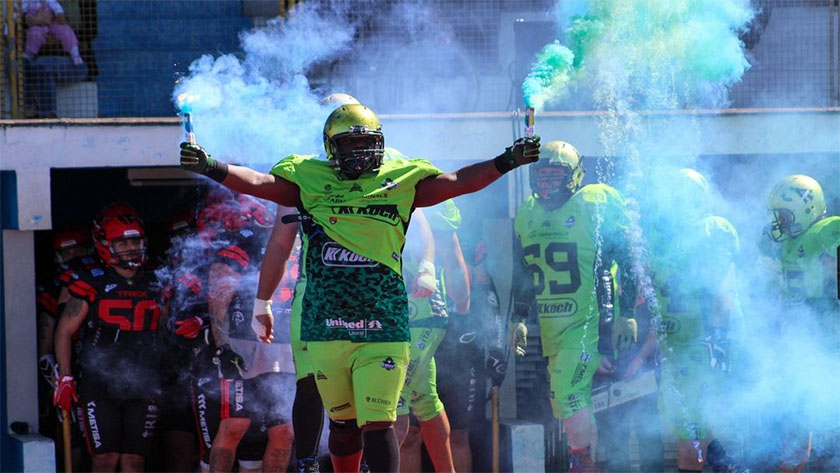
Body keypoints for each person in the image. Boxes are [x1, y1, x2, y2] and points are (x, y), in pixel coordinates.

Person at [179, 103, 540, 472]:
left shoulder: (400, 177)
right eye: (348, 145)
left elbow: (458, 182)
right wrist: (211, 167)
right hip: (327, 321)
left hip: (383, 321)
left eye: (365, 143)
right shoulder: (308, 176)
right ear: (330, 146)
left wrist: (507, 160)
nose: (358, 153)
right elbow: (260, 184)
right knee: (344, 424)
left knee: (379, 421)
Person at [510, 140, 638, 473]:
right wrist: (520, 317)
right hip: (554, 328)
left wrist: (628, 313)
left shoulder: (593, 202)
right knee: (568, 401)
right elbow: (522, 270)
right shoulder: (527, 212)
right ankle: (589, 464)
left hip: (588, 323)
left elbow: (628, 259)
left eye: (556, 174)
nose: (547, 182)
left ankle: (580, 465)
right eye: (542, 175)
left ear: (575, 175)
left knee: (568, 396)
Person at [646, 169, 743, 473]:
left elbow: (723, 289)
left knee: (689, 433)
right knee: (686, 426)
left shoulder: (713, 230)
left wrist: (719, 336)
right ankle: (724, 462)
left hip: (703, 341)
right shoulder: (659, 237)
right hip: (676, 343)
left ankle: (719, 462)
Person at [53, 212, 161, 472]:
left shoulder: (157, 278)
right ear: (105, 245)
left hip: (143, 378)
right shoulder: (92, 279)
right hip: (99, 381)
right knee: (104, 459)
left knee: (134, 462)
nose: (131, 249)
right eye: (122, 244)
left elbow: (166, 328)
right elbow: (64, 331)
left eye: (135, 242)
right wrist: (66, 377)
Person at [762, 174, 840, 473]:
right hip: (801, 340)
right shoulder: (790, 243)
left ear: (807, 209)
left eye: (785, 214)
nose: (780, 221)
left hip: (826, 337)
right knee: (796, 415)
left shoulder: (828, 231)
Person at [22, 0, 83, 64]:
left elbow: (58, 10)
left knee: (65, 30)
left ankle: (75, 53)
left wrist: (60, 16)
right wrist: (34, 20)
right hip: (37, 25)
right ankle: (29, 54)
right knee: (34, 33)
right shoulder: (26, 1)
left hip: (53, 22)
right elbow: (20, 12)